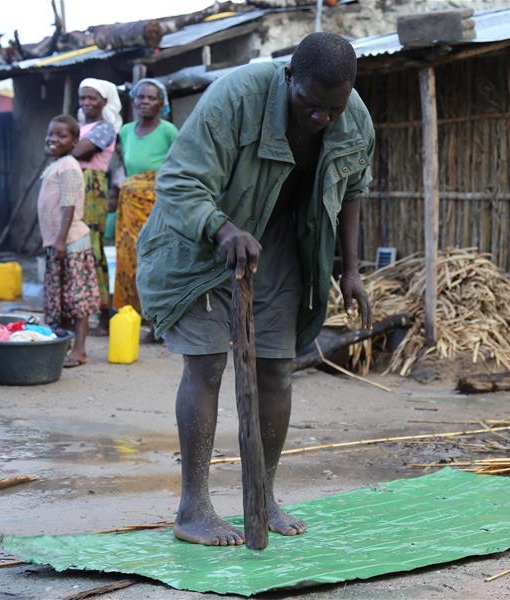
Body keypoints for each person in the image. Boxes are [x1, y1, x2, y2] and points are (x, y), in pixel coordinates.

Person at [137, 32, 374, 546]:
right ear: (288, 77)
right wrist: (223, 230)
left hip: (282, 249)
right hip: (202, 246)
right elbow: (178, 182)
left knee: (277, 372)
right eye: (311, 106)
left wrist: (350, 269)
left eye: (332, 109)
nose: (321, 120)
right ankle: (193, 508)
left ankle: (262, 496)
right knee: (206, 364)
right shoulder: (235, 98)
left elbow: (354, 187)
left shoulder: (351, 115)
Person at [37, 115, 100, 367]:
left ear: (75, 141)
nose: (53, 139)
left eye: (61, 136)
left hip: (71, 242)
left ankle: (80, 350)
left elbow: (68, 205)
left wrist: (61, 240)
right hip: (57, 242)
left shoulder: (70, 166)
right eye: (51, 134)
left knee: (76, 300)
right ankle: (61, 347)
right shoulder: (57, 164)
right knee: (60, 300)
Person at [113, 78, 178, 320]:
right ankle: (134, 315)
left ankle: (159, 321)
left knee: (157, 259)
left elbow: (179, 164)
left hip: (159, 205)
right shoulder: (126, 131)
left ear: (162, 103)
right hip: (130, 208)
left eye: (152, 98)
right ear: (133, 100)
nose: (145, 102)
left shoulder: (168, 131)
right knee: (130, 259)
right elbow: (128, 170)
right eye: (141, 97)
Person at [73, 78, 122, 336]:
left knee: (92, 249)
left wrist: (62, 145)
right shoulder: (82, 125)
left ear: (105, 101)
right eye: (83, 98)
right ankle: (83, 313)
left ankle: (103, 315)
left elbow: (79, 152)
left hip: (92, 189)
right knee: (78, 249)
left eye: (92, 98)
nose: (87, 103)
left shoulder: (105, 128)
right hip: (77, 185)